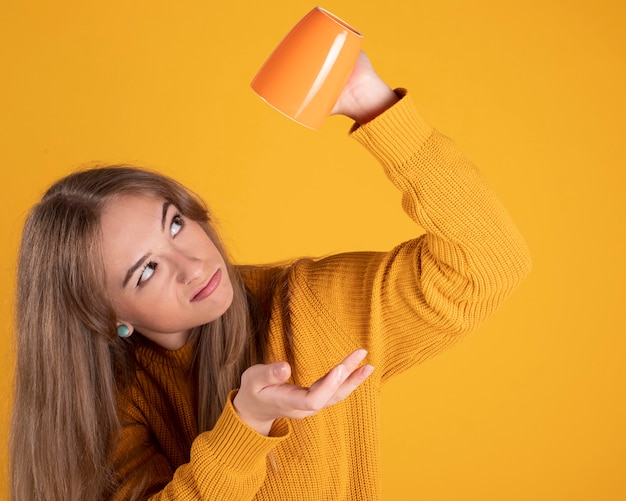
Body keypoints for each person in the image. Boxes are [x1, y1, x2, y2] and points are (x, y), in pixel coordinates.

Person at [9, 52, 531, 500]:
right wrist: (247, 424)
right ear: (106, 317)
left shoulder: (308, 308)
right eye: (146, 270)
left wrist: (370, 102)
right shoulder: (109, 401)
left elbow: (488, 262)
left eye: (175, 224)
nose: (193, 265)